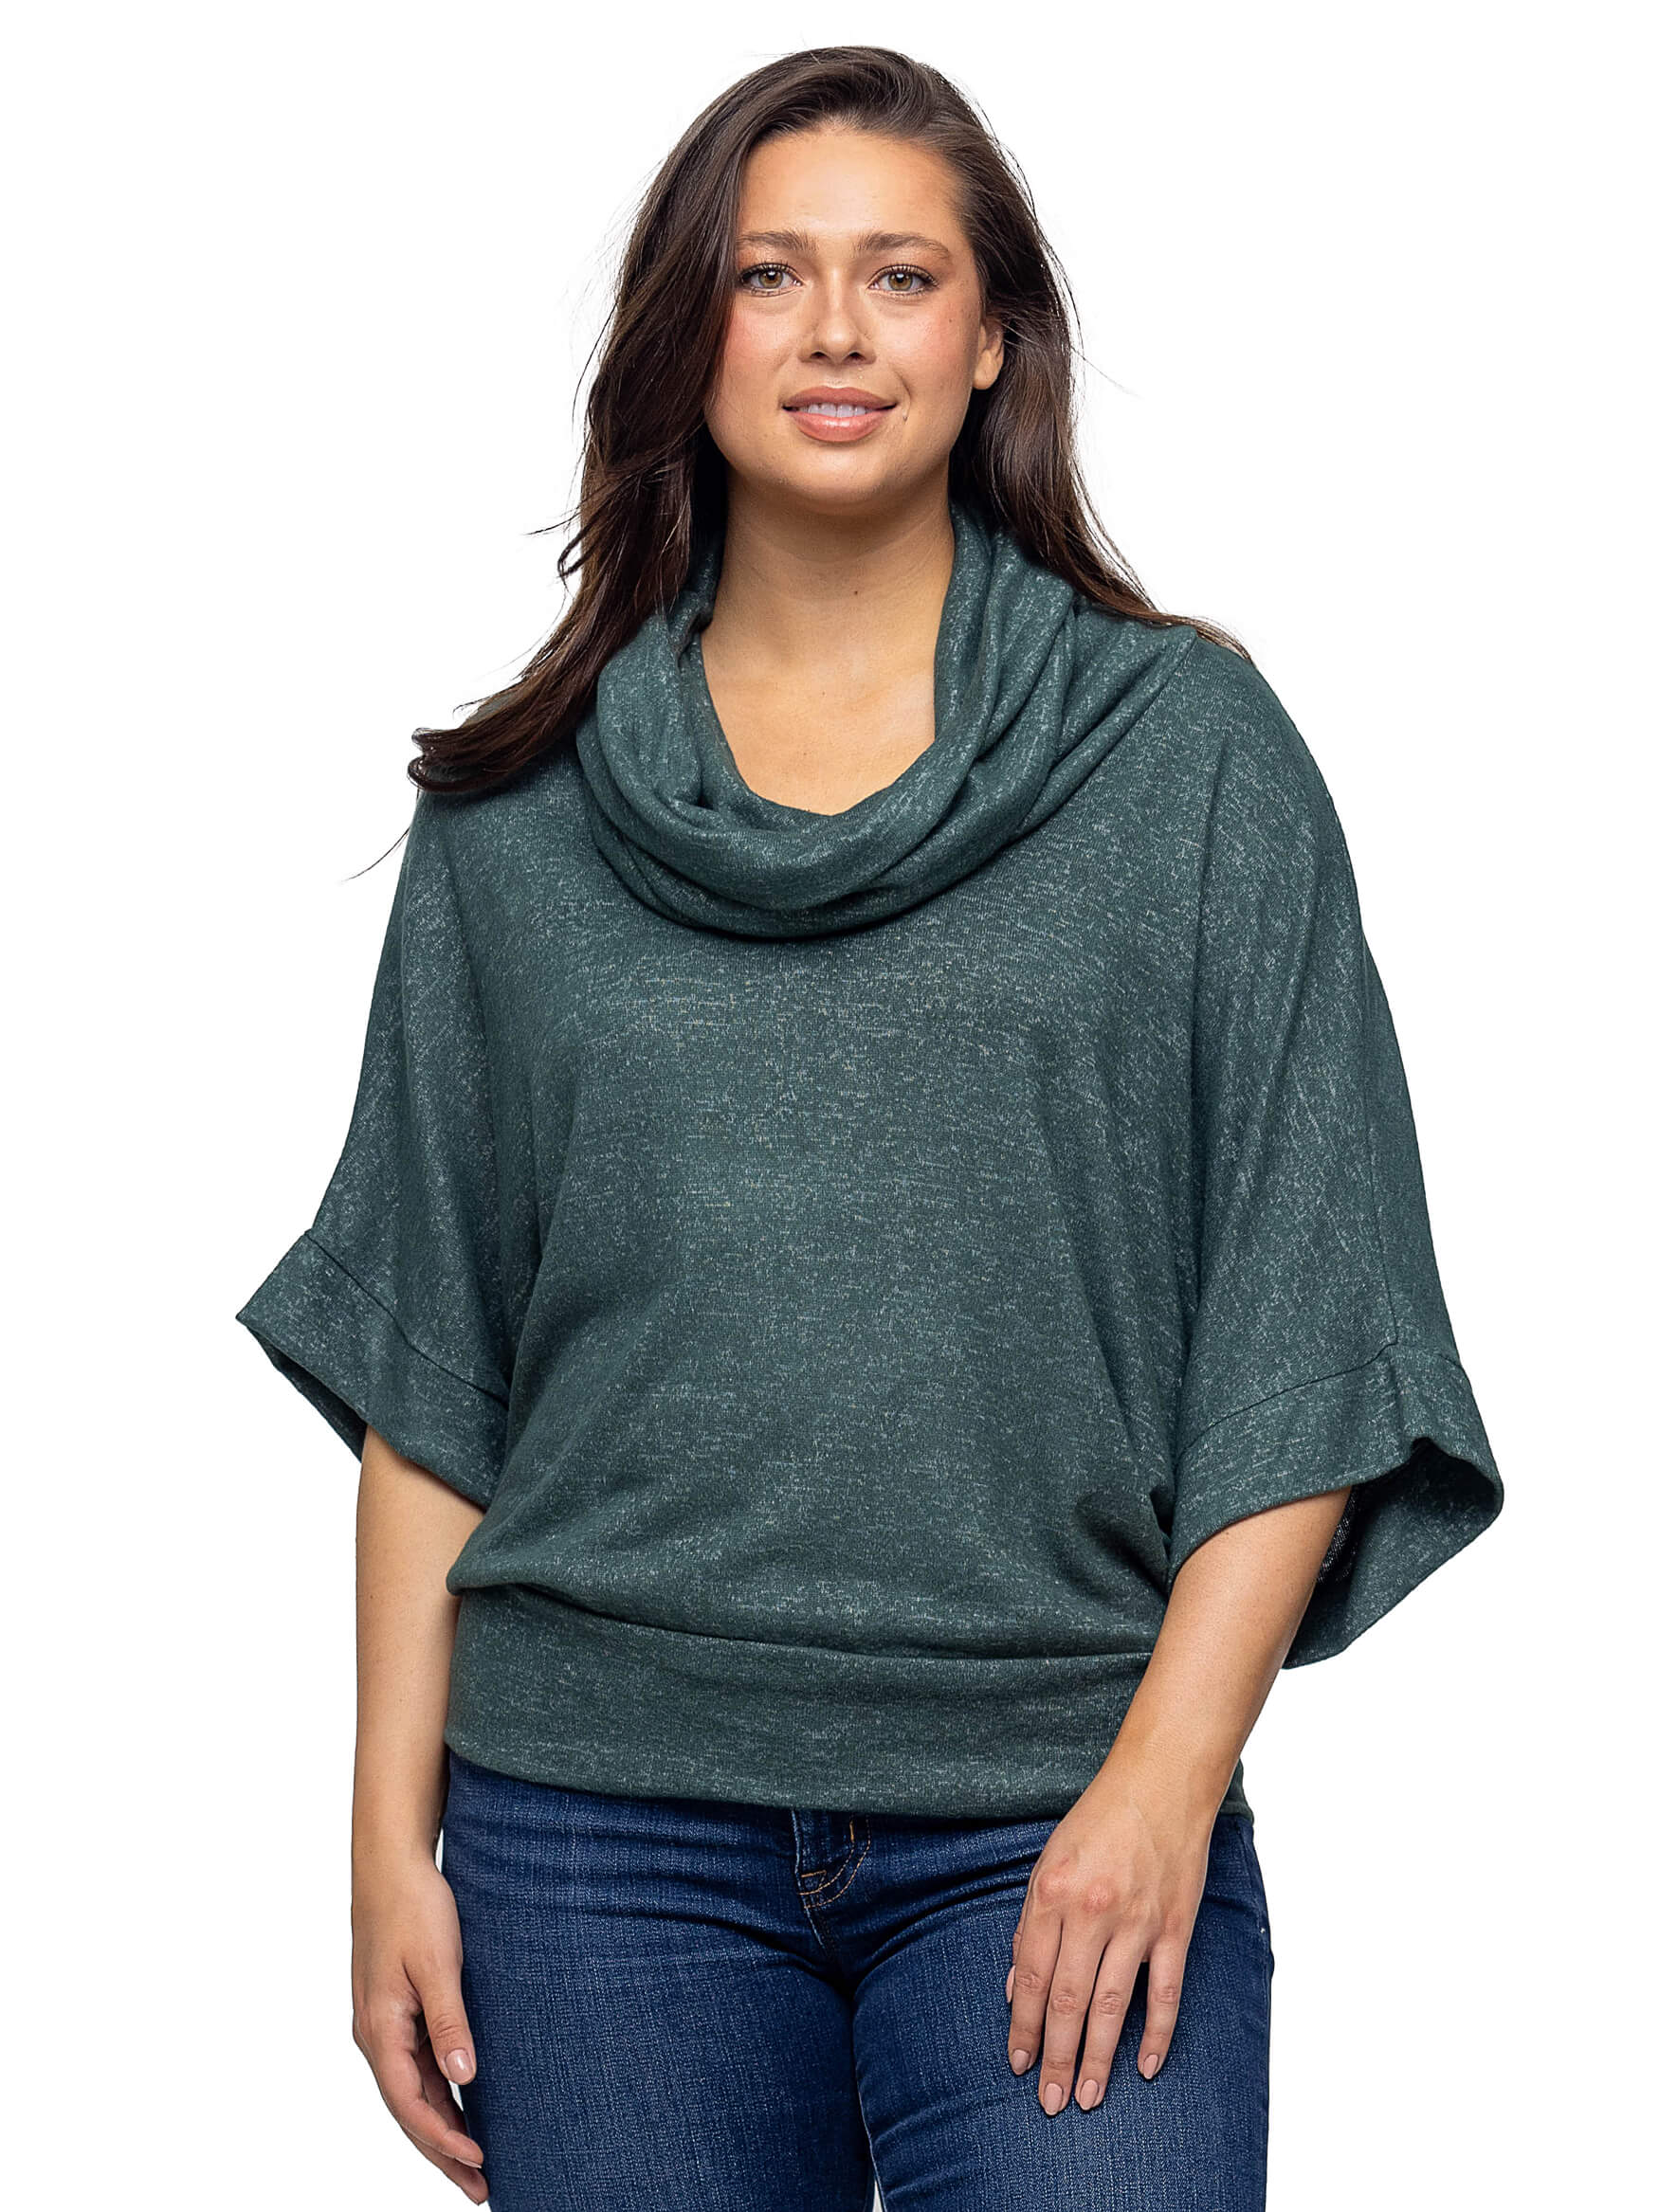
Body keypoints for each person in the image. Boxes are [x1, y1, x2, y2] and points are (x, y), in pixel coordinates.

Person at [235, 44, 1504, 2212]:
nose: (835, 330)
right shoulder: (519, 814)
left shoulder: (1184, 759)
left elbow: (1306, 1321)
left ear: (989, 336)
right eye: (769, 275)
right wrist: (380, 1855)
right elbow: (431, 1377)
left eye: (899, 276)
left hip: (1054, 1807)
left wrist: (1161, 1787)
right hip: (594, 1841)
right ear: (688, 330)